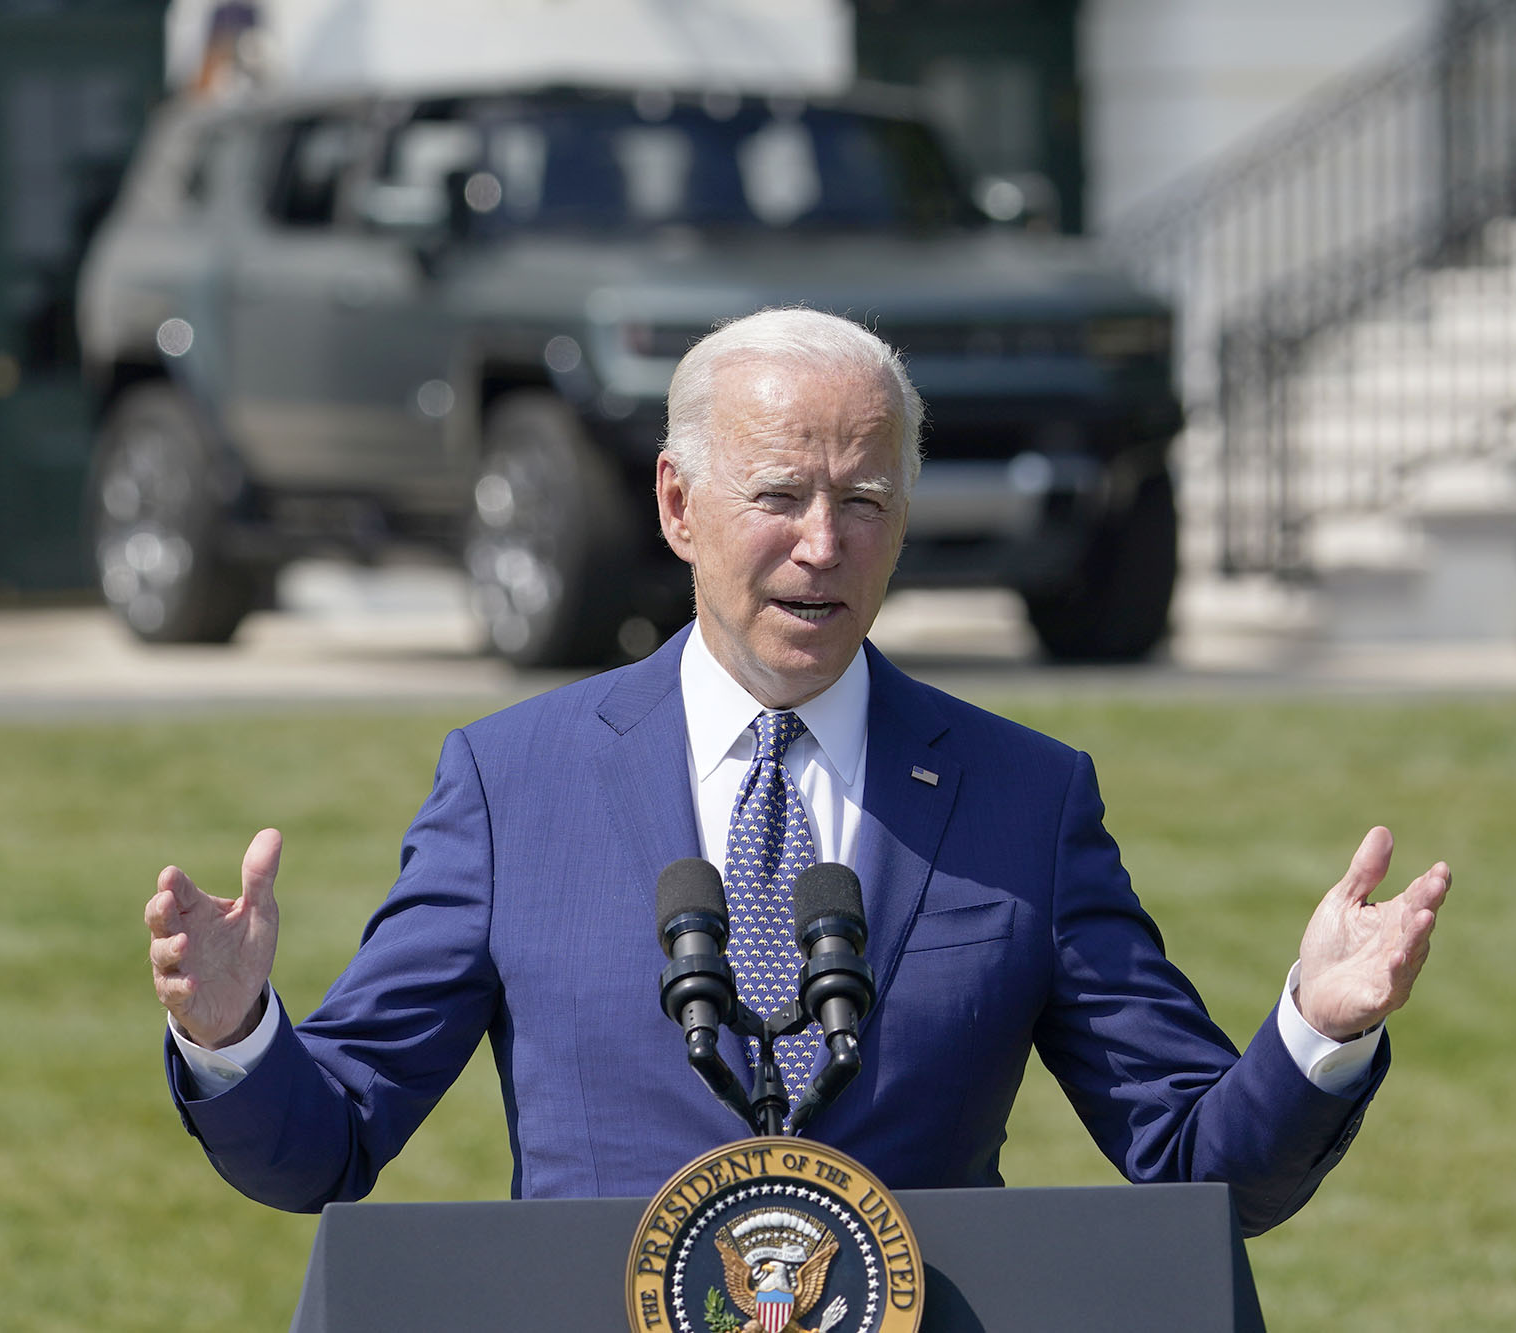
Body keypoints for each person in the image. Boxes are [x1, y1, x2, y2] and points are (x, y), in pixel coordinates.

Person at [146, 308, 1449, 1235]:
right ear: (676, 504)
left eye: (866, 500)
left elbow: (1194, 1166)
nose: (823, 546)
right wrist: (235, 1035)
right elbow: (328, 1146)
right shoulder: (513, 784)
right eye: (779, 495)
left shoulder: (1023, 797)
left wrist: (1315, 1031)